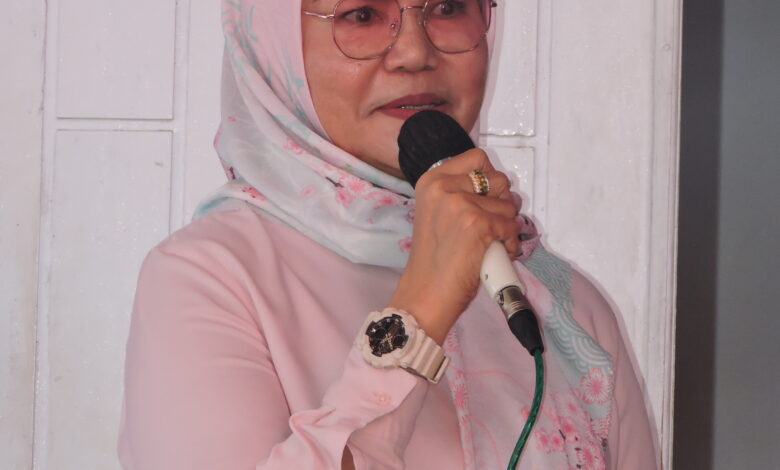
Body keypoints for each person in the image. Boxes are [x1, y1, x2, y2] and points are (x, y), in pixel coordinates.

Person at [117, 0, 658, 468]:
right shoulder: (208, 281)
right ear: (272, 44)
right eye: (363, 14)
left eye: (448, 7)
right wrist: (422, 310)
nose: (415, 53)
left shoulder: (562, 304)